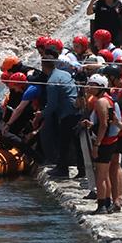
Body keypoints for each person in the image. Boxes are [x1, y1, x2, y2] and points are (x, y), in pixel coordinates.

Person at [80, 74, 120, 214]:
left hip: (104, 142)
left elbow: (103, 125)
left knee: (101, 175)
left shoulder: (101, 102)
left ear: (101, 87)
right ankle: (107, 202)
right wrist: (92, 124)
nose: (89, 86)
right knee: (105, 173)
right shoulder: (107, 100)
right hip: (110, 141)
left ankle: (101, 204)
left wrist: (96, 145)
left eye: (93, 84)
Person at [41, 45, 79, 176]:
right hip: (77, 111)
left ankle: (62, 169)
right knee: (77, 143)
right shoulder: (64, 74)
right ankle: (82, 170)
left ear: (43, 66)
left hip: (67, 114)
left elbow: (52, 104)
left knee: (64, 142)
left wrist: (41, 114)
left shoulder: (52, 82)